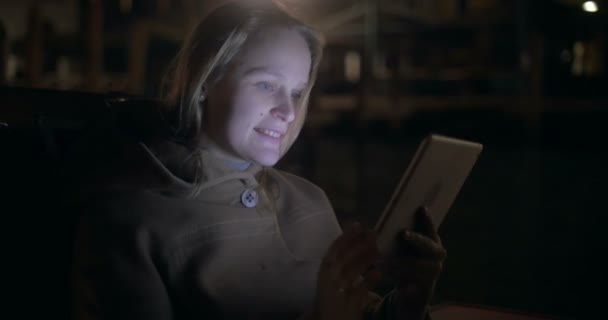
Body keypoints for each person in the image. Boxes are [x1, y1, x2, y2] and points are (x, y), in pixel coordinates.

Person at [70, 1, 446, 319]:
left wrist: (410, 300)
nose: (287, 109)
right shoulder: (129, 222)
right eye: (266, 84)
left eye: (298, 92)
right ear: (205, 83)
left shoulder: (311, 200)